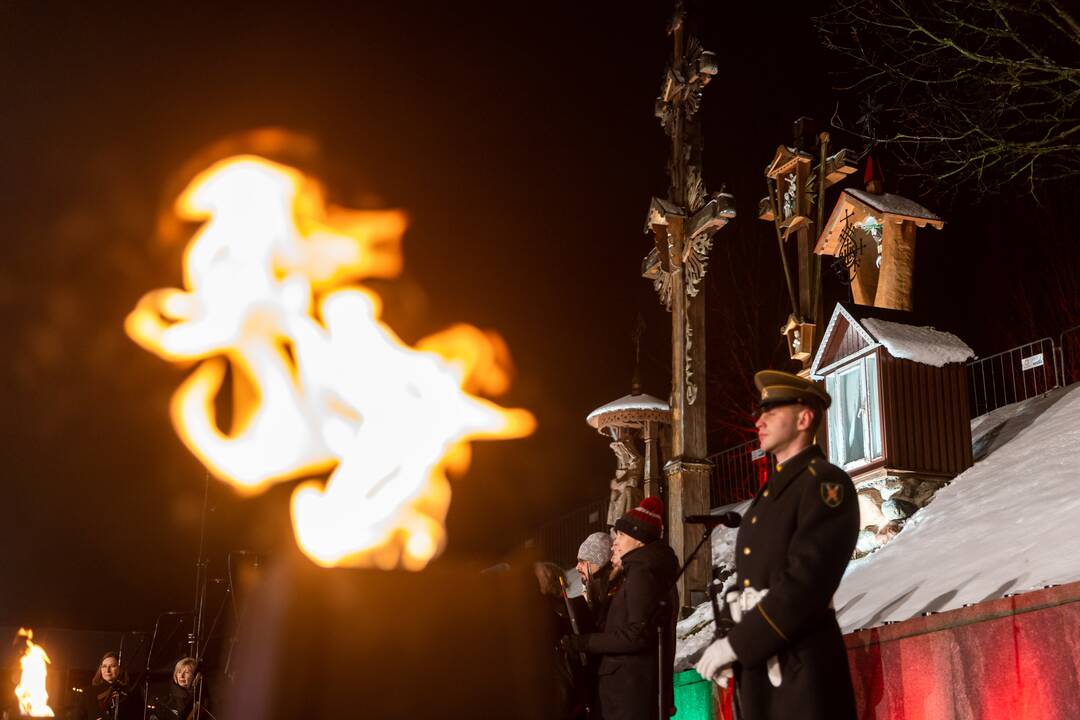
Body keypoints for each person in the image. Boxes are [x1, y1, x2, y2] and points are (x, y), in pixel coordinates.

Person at [695, 370, 860, 720]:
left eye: (772, 411)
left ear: (804, 418)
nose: (759, 420)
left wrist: (740, 644)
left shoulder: (825, 484)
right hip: (762, 668)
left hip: (800, 669)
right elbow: (749, 578)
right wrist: (726, 634)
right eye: (760, 412)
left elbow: (806, 584)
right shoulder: (769, 497)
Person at [564, 496, 679, 720]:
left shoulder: (643, 574)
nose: (614, 543)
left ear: (639, 538)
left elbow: (637, 634)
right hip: (628, 689)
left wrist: (585, 642)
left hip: (628, 693)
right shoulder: (642, 571)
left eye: (621, 536)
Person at [575, 531, 618, 629]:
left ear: (599, 561)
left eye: (582, 561)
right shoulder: (596, 589)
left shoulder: (613, 590)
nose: (577, 567)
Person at [78, 651, 137, 720]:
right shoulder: (88, 693)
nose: (107, 670)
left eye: (112, 666)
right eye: (104, 666)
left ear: (120, 669)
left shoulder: (130, 695)